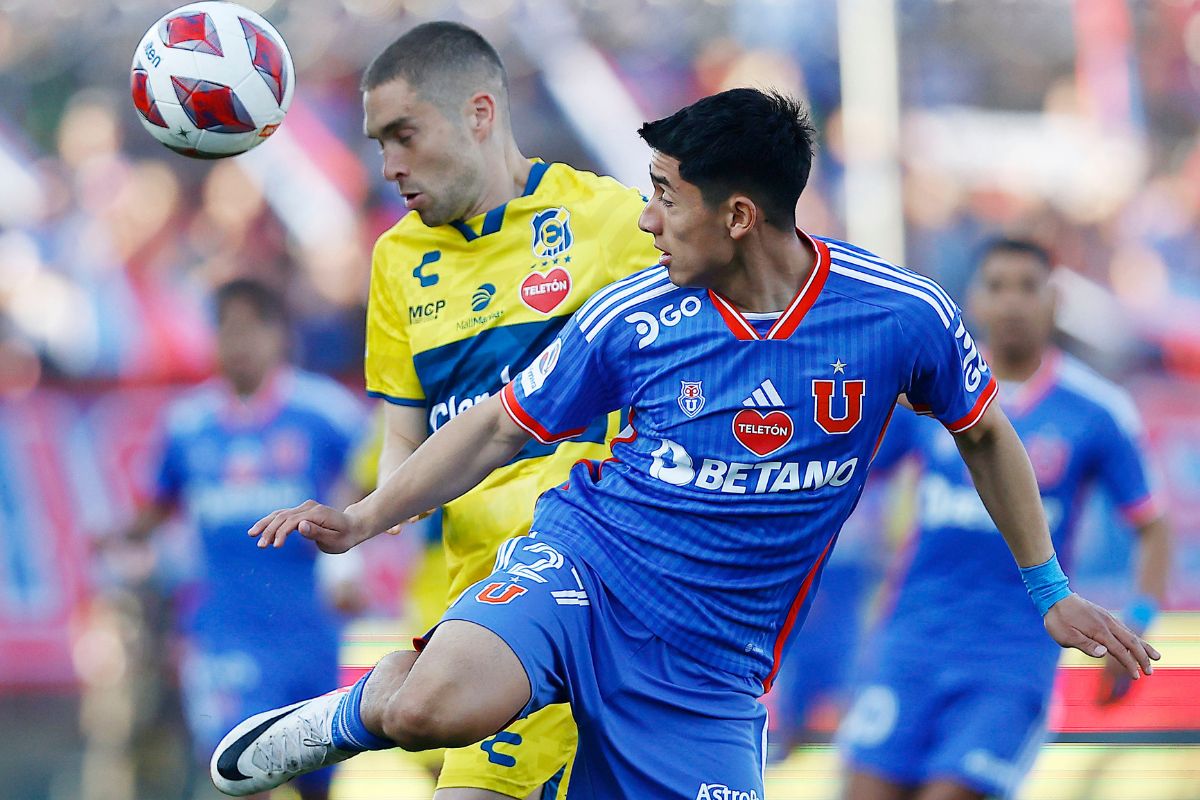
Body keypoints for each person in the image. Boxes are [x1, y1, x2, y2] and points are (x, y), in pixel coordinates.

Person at [210, 89, 1159, 800]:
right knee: (433, 709)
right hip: (586, 572)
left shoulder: (898, 316)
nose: (647, 219)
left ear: (738, 215)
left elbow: (986, 432)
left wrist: (1050, 590)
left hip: (712, 667)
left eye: (665, 195)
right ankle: (349, 714)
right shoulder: (632, 316)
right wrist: (364, 516)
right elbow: (499, 424)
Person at [344, 20, 660, 800]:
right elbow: (403, 435)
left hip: (610, 603)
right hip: (488, 618)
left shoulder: (613, 222)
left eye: (403, 135)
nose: (388, 166)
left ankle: (353, 716)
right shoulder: (397, 261)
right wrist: (383, 509)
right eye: (378, 142)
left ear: (479, 114)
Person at [838, 238, 1172, 800]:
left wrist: (1137, 618)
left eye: (1028, 287)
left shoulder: (1095, 410)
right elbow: (850, 469)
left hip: (1009, 661)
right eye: (998, 287)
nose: (1013, 302)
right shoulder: (930, 397)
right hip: (910, 644)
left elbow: (1154, 526)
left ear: (1054, 302)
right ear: (975, 301)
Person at [106, 278, 365, 800]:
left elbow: (372, 479)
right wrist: (115, 545)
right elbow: (158, 508)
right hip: (223, 633)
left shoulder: (325, 412)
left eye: (251, 328)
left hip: (308, 631)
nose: (238, 343)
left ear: (279, 336)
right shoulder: (188, 425)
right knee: (240, 779)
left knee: (318, 785)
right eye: (226, 329)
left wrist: (346, 567)